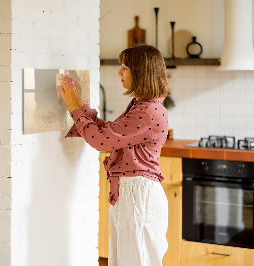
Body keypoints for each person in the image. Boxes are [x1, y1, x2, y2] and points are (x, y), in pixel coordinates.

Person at [58, 44, 170, 266]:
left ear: (141, 72)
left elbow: (101, 141)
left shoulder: (147, 111)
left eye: (125, 67)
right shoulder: (143, 106)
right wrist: (80, 104)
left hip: (138, 195)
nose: (119, 72)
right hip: (133, 193)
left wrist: (73, 108)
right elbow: (109, 133)